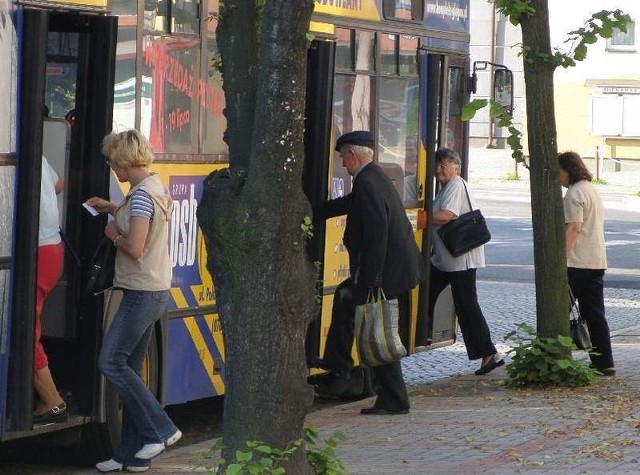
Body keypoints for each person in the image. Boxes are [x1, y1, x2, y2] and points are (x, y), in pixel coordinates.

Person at [87, 130, 181, 473]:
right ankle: (131, 456)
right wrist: (113, 208)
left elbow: (135, 247)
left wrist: (113, 234)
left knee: (111, 362)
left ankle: (162, 428)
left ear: (126, 161)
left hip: (141, 292)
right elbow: (142, 221)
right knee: (131, 375)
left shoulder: (141, 197)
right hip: (154, 290)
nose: (112, 168)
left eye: (113, 161)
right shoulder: (150, 189)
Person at [312, 130, 424, 415]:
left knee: (376, 330)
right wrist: (315, 211)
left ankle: (346, 371)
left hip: (385, 273)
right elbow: (348, 204)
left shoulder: (368, 183)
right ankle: (348, 372)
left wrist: (371, 280)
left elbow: (377, 235)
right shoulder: (372, 177)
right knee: (367, 320)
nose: (343, 164)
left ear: (352, 155)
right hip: (390, 270)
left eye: (342, 158)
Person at [429, 148, 503, 375]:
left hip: (461, 260)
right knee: (428, 290)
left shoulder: (456, 185)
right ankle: (424, 331)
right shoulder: (446, 187)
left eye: (445, 165)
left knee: (466, 306)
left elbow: (447, 215)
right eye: (438, 165)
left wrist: (418, 217)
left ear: (456, 167)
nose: (440, 169)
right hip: (446, 259)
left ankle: (490, 353)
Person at [558, 151, 614, 375]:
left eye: (559, 172)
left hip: (577, 262)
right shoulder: (590, 189)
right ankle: (604, 362)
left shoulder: (573, 193)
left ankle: (556, 357)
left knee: (559, 311)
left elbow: (574, 227)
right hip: (596, 260)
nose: (558, 178)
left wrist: (562, 258)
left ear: (567, 171)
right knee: (594, 314)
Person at [33, 156, 67, 425]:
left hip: (39, 250)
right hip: (52, 248)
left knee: (24, 330)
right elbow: (58, 185)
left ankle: (53, 401)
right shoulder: (39, 155)